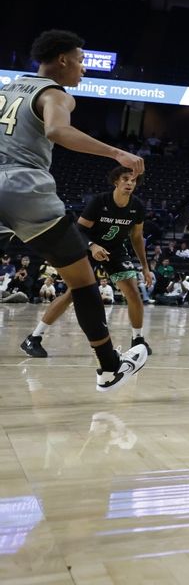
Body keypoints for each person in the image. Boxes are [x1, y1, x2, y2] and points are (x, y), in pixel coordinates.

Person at [0, 30, 148, 390]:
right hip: (25, 189)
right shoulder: (55, 94)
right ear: (63, 60)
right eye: (80, 61)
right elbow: (56, 130)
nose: (83, 69)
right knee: (83, 282)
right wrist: (117, 153)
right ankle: (110, 366)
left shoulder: (7, 87)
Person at [22, 166, 154, 359]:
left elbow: (136, 236)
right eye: (126, 179)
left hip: (115, 251)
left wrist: (145, 266)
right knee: (72, 294)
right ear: (116, 181)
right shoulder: (100, 201)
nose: (130, 183)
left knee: (133, 292)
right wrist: (93, 246)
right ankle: (34, 338)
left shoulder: (137, 206)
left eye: (133, 180)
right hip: (87, 248)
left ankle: (138, 340)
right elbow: (78, 230)